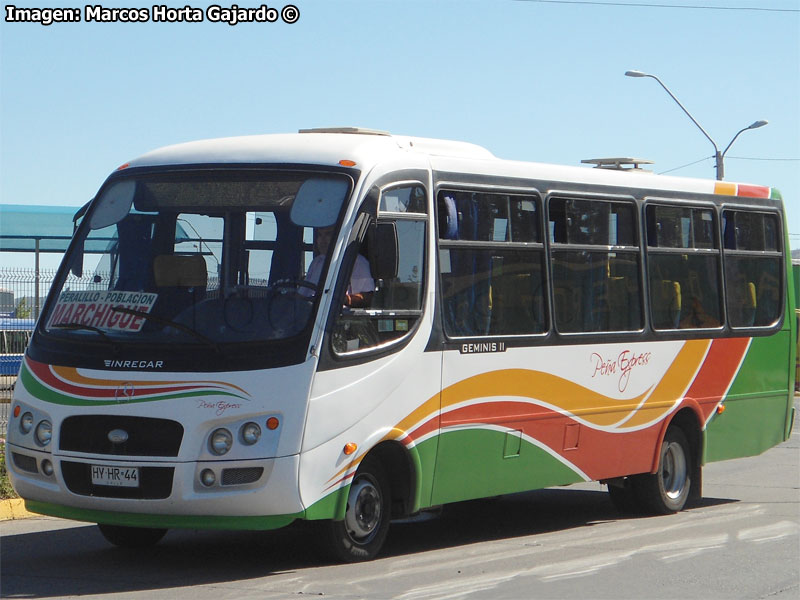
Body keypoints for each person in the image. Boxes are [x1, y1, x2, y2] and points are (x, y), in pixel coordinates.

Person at [304, 226, 374, 307]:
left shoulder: (356, 262)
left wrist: (344, 299)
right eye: (320, 235)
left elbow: (366, 298)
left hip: (338, 317)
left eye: (328, 234)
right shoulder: (317, 262)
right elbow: (303, 294)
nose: (322, 240)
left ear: (340, 236)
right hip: (310, 314)